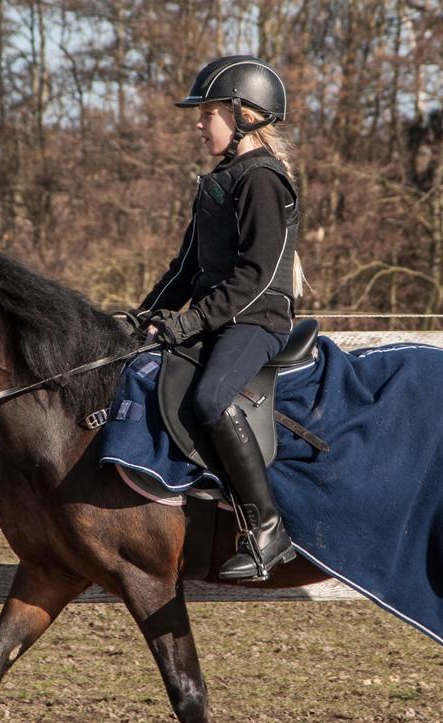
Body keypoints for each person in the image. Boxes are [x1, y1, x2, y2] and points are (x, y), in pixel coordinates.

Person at [132, 55, 303, 581]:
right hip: (220, 316)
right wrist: (146, 314)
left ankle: (268, 529)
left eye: (208, 113)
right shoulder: (217, 180)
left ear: (244, 115)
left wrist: (191, 322)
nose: (198, 123)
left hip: (257, 319)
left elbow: (254, 276)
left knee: (211, 398)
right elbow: (186, 267)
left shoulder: (263, 181)